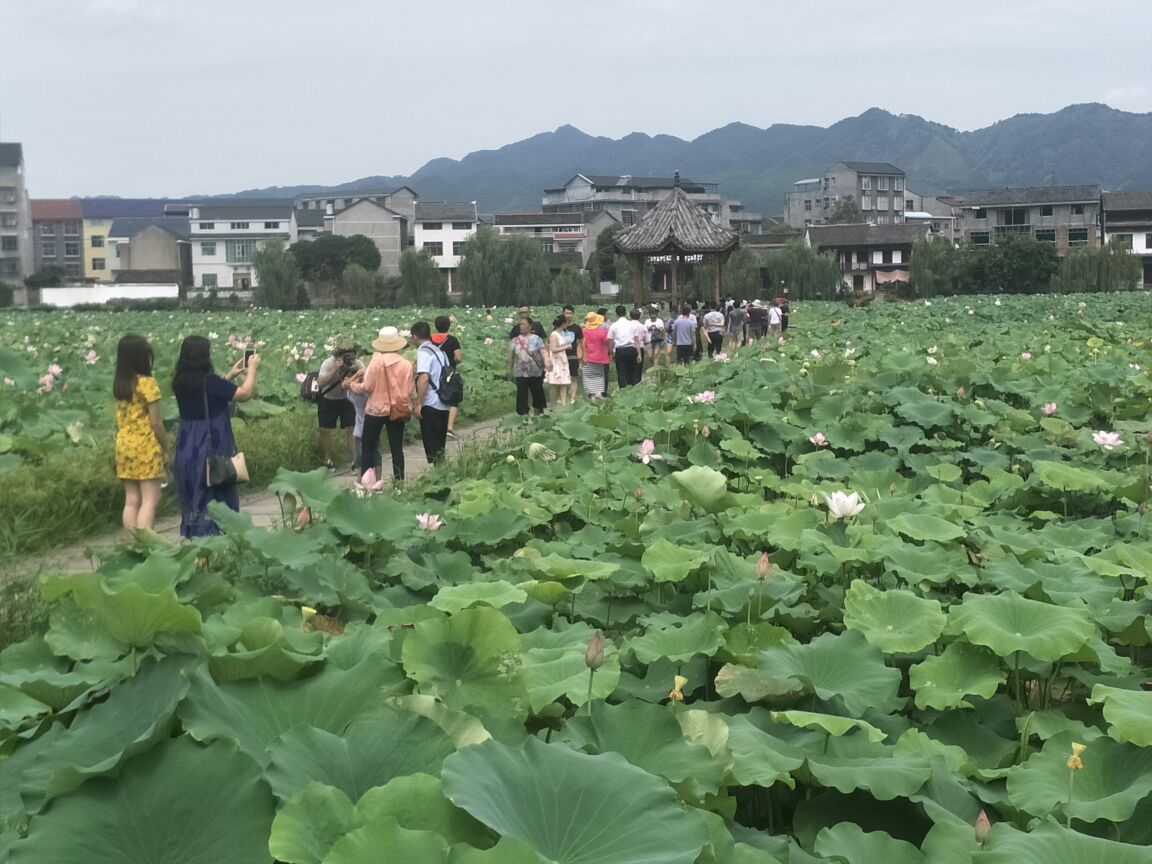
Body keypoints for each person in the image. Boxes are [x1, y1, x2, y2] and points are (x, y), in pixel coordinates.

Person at [171, 336, 259, 538]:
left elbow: (206, 392)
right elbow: (244, 394)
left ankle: (195, 544)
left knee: (195, 499)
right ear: (204, 356)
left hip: (187, 449)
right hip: (211, 450)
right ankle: (213, 549)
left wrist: (229, 376)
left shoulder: (180, 382)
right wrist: (252, 368)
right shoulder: (210, 382)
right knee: (215, 500)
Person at [113, 334, 168, 531]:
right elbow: (156, 424)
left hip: (124, 445)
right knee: (150, 500)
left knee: (131, 500)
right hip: (145, 445)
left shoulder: (120, 384)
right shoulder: (147, 384)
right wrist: (166, 447)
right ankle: (145, 546)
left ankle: (131, 545)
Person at [349, 326, 413, 481]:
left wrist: (352, 385)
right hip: (397, 411)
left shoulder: (375, 363)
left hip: (375, 410)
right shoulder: (406, 364)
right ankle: (399, 485)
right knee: (397, 449)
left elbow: (367, 387)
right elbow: (409, 390)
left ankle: (367, 484)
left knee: (368, 448)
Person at [316, 336, 363, 471]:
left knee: (350, 428)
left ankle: (355, 461)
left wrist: (355, 371)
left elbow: (366, 376)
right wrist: (335, 370)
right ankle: (328, 459)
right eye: (345, 357)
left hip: (347, 399)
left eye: (351, 356)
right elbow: (320, 383)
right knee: (325, 429)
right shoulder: (328, 363)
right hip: (328, 398)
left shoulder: (357, 363)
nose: (349, 359)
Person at [412, 321, 451, 465]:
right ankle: (442, 474)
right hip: (444, 402)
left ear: (415, 336)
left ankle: (437, 478)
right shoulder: (440, 351)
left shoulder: (423, 352)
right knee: (440, 446)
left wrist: (419, 403)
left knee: (432, 447)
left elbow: (424, 378)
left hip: (431, 404)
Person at [508, 317, 549, 418]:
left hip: (535, 371)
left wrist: (547, 363)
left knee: (537, 391)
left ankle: (538, 411)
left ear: (530, 326)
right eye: (520, 324)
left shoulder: (537, 339)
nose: (521, 326)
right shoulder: (515, 340)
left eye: (524, 324)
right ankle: (523, 414)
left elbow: (543, 352)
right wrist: (509, 370)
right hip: (520, 372)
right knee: (522, 393)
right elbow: (510, 357)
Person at [431, 315, 463, 439]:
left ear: (436, 326)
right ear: (448, 326)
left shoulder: (430, 339)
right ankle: (449, 428)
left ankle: (436, 428)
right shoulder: (453, 340)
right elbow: (458, 358)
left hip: (433, 373)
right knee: (453, 399)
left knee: (435, 398)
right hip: (448, 373)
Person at [608, 305, 644, 388]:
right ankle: (632, 388)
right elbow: (636, 340)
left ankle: (623, 389)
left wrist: (610, 353)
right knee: (631, 371)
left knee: (621, 372)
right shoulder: (631, 325)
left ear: (616, 314)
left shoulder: (614, 325)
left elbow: (610, 341)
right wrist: (639, 354)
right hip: (631, 350)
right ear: (626, 313)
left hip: (620, 350)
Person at [545, 315, 574, 407]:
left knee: (564, 383)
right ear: (563, 323)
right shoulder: (554, 334)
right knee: (554, 384)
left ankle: (564, 403)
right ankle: (553, 405)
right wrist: (567, 346)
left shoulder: (562, 334)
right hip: (556, 361)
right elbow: (553, 349)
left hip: (562, 360)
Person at [581, 311, 610, 399]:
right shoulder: (603, 329)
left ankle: (591, 394)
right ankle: (600, 393)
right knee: (600, 375)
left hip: (589, 356)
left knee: (590, 376)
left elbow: (583, 343)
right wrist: (610, 352)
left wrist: (584, 355)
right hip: (602, 356)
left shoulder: (584, 330)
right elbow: (607, 341)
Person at [562, 305, 583, 403]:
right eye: (566, 313)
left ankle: (573, 398)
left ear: (573, 314)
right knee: (562, 378)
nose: (568, 315)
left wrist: (583, 355)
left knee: (573, 377)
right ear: (563, 314)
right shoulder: (558, 328)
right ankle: (564, 398)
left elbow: (582, 341)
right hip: (561, 356)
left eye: (570, 313)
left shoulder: (577, 328)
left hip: (573, 355)